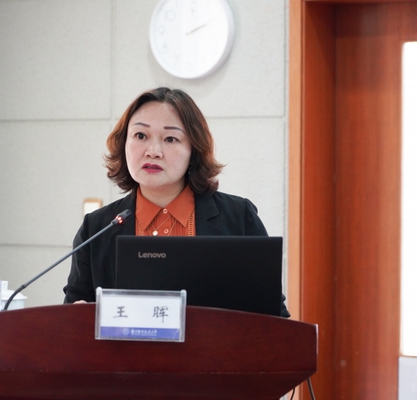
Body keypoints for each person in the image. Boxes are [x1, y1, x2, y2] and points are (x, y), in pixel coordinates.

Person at [63, 87, 290, 317]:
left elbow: (274, 317)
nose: (153, 151)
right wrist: (78, 319)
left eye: (170, 139)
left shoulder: (238, 217)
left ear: (194, 149)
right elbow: (71, 317)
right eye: (140, 136)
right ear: (124, 143)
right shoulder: (97, 228)